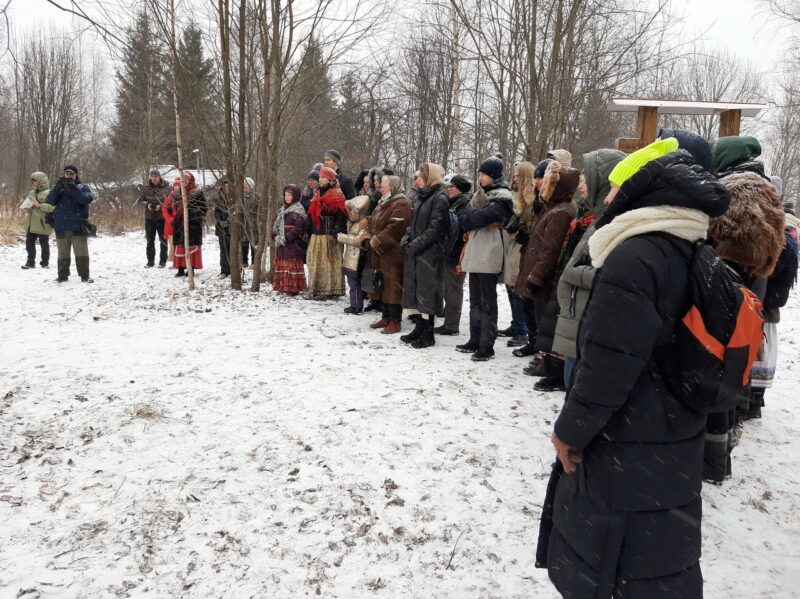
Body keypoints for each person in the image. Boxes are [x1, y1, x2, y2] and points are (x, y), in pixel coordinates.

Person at [539, 145, 731, 599]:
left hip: (626, 439)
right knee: (656, 563)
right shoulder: (688, 247)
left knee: (612, 568)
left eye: (616, 188)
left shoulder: (635, 256)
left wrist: (569, 431)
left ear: (641, 192)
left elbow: (609, 363)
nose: (607, 198)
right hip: (668, 439)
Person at [704, 136, 786, 482]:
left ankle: (712, 462)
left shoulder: (733, 192)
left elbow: (722, 250)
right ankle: (723, 454)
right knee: (737, 367)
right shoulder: (768, 192)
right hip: (757, 291)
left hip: (730, 291)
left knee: (717, 371)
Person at [552, 149, 626, 389]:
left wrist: (574, 273)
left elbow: (613, 275)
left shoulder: (610, 221)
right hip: (578, 312)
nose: (581, 185)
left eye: (587, 179)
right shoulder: (596, 216)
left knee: (578, 386)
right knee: (573, 383)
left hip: (586, 316)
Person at [520, 160, 579, 389]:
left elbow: (549, 250)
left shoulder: (562, 212)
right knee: (541, 321)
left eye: (547, 183)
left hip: (546, 279)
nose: (542, 187)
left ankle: (552, 368)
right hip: (540, 276)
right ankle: (545, 362)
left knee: (548, 323)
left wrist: (535, 278)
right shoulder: (552, 209)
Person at [456, 155, 515, 361]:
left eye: (483, 174)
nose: (480, 178)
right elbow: (465, 217)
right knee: (475, 300)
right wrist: (472, 218)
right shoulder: (483, 195)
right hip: (477, 249)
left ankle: (486, 345)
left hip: (489, 250)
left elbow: (478, 217)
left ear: (492, 176)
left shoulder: (502, 197)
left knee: (487, 301)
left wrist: (473, 218)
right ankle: (475, 339)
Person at [401, 163, 449, 348]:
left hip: (430, 254)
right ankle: (420, 326)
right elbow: (413, 224)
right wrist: (406, 238)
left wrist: (415, 244)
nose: (416, 180)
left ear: (430, 179)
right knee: (418, 290)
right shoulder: (422, 197)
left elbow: (434, 229)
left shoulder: (439, 198)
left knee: (428, 292)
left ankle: (428, 332)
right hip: (418, 252)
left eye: (421, 177)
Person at [361, 175, 413, 334]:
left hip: (393, 253)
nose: (380, 188)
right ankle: (386, 316)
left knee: (393, 286)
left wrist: (376, 240)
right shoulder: (382, 203)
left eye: (383, 185)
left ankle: (395, 321)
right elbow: (375, 223)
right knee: (383, 285)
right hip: (379, 253)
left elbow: (395, 228)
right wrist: (367, 232)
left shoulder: (401, 203)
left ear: (393, 186)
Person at [512, 159, 551, 359]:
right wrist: (524, 231)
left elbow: (549, 237)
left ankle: (540, 347)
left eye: (541, 178)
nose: (537, 182)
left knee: (538, 307)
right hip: (528, 255)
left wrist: (530, 234)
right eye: (536, 177)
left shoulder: (552, 205)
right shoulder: (537, 201)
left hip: (539, 261)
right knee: (527, 303)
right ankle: (532, 341)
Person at [497, 163, 533, 347]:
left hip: (520, 248)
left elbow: (528, 224)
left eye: (518, 175)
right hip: (511, 245)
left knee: (517, 287)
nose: (515, 178)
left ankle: (522, 328)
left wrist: (518, 228)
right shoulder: (516, 197)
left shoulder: (530, 199)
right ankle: (516, 324)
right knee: (510, 286)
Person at [435, 174, 472, 336]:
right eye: (449, 186)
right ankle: (449, 318)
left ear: (461, 189)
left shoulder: (464, 205)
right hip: (448, 251)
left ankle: (451, 325)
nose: (449, 188)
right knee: (446, 287)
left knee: (453, 289)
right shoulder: (453, 203)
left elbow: (460, 228)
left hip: (457, 253)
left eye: (453, 187)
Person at [306, 166, 349, 298]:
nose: (320, 179)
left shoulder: (337, 194)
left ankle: (330, 290)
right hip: (317, 233)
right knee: (314, 262)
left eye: (323, 177)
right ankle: (316, 289)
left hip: (329, 233)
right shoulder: (317, 192)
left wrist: (336, 231)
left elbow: (342, 214)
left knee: (329, 263)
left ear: (330, 179)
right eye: (320, 176)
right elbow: (312, 214)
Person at [47, 165, 94, 283]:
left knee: (81, 252)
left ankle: (85, 276)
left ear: (76, 175)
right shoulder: (58, 187)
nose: (69, 176)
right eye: (67, 173)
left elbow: (85, 199)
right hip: (60, 225)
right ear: (64, 174)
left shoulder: (83, 187)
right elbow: (50, 201)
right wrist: (57, 188)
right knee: (62, 253)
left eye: (72, 174)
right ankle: (62, 276)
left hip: (78, 225)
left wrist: (74, 189)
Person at [271, 184, 308, 295]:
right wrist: (275, 236)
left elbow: (298, 229)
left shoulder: (299, 211)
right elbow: (275, 226)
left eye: (290, 195)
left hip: (293, 244)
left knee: (291, 263)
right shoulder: (282, 210)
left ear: (295, 196)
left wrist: (286, 238)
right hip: (282, 243)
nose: (287, 197)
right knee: (283, 263)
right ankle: (283, 286)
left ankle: (293, 288)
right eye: (286, 195)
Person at [338, 194, 371, 314]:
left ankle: (357, 305)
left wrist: (342, 237)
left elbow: (358, 240)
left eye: (352, 211)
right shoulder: (355, 223)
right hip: (351, 258)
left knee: (354, 283)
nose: (349, 213)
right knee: (352, 282)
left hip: (356, 258)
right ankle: (354, 303)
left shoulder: (363, 224)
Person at [171, 171, 207, 277]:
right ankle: (180, 268)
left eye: (186, 179)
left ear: (190, 180)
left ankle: (191, 268)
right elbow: (173, 206)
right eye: (183, 179)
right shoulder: (176, 193)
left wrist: (194, 211)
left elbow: (204, 208)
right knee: (180, 245)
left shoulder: (197, 192)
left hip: (193, 223)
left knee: (192, 245)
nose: (185, 181)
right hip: (179, 223)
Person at [135, 169, 169, 268]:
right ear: (150, 177)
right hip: (149, 218)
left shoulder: (166, 188)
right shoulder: (145, 188)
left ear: (159, 177)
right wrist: (148, 205)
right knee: (150, 240)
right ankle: (150, 261)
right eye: (152, 176)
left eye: (156, 176)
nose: (154, 178)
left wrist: (161, 206)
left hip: (161, 218)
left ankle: (163, 261)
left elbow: (169, 202)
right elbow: (140, 201)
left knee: (163, 240)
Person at [21, 171, 53, 270]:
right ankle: (30, 262)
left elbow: (53, 207)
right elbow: (28, 205)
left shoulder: (49, 193)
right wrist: (26, 208)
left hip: (43, 224)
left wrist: (39, 205)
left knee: (44, 244)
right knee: (29, 243)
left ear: (40, 182)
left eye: (34, 182)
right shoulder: (32, 192)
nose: (32, 184)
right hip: (31, 223)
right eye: (32, 182)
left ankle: (44, 263)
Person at [212, 178, 234, 277]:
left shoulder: (235, 198)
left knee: (233, 249)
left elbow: (237, 212)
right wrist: (221, 221)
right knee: (223, 250)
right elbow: (216, 212)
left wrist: (229, 221)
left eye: (228, 186)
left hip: (233, 227)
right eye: (225, 186)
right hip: (221, 227)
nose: (227, 188)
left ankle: (234, 269)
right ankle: (224, 270)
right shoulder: (218, 198)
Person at [162, 177, 180, 266]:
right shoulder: (170, 198)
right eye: (175, 186)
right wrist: (171, 220)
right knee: (172, 244)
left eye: (178, 186)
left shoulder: (184, 197)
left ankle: (179, 262)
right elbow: (164, 210)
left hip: (180, 224)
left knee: (180, 245)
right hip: (171, 225)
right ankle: (174, 262)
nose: (177, 188)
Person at [242, 177, 259, 268]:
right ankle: (244, 261)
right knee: (243, 243)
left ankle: (254, 262)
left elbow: (259, 211)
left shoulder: (256, 197)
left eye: (247, 184)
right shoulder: (239, 197)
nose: (245, 186)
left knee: (253, 243)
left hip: (253, 224)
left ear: (251, 186)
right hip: (243, 224)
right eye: (244, 184)